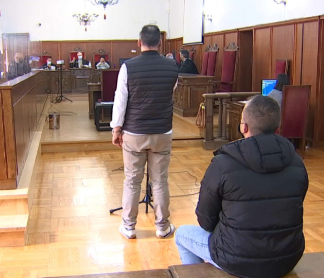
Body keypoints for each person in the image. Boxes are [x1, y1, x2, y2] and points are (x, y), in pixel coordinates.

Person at [175, 95, 308, 278]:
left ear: (243, 127)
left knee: (181, 234)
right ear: (277, 129)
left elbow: (205, 220)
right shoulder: (297, 162)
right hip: (287, 257)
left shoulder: (222, 163)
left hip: (237, 259)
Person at [111, 24, 179, 240]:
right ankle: (162, 226)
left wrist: (116, 128)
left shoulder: (128, 67)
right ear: (160, 42)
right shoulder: (172, 67)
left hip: (134, 132)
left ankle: (129, 227)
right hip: (162, 132)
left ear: (139, 43)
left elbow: (120, 100)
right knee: (160, 182)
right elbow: (170, 91)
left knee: (132, 181)